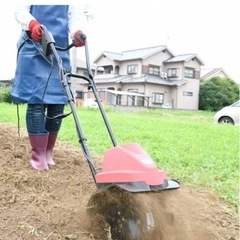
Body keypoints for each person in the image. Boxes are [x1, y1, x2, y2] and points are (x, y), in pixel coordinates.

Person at [11, 5, 86, 170]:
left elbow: (75, 15)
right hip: (34, 44)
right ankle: (38, 155)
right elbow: (19, 8)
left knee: (58, 102)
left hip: (59, 48)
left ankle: (48, 152)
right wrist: (31, 23)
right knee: (36, 100)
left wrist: (77, 32)